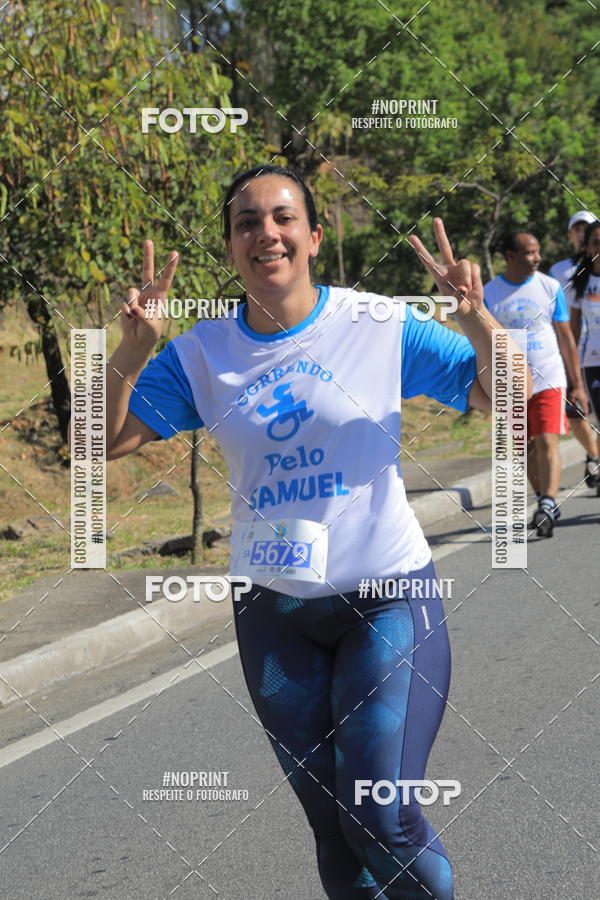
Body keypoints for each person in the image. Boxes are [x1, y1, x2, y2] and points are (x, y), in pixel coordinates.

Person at [104, 165, 527, 899]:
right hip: (275, 615)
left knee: (379, 815)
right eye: (246, 222)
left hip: (387, 599)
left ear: (313, 235)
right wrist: (132, 351)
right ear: (231, 247)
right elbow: (93, 443)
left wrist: (478, 321)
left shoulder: (375, 324)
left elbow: (511, 400)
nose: (265, 232)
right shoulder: (202, 354)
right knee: (335, 836)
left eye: (283, 217)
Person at [483, 231, 588, 537]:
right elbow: (485, 342)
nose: (537, 258)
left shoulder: (550, 286)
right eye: (529, 252)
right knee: (525, 448)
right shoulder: (490, 293)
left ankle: (546, 502)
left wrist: (576, 384)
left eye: (538, 251)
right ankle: (547, 501)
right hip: (512, 383)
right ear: (509, 255)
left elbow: (566, 338)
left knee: (547, 440)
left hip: (548, 377)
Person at [549, 211, 600, 487]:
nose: (581, 234)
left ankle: (595, 462)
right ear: (571, 235)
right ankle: (593, 455)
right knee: (575, 412)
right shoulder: (562, 272)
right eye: (576, 229)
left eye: (586, 229)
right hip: (575, 354)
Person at [569, 220, 600, 496]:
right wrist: (574, 368)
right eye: (596, 243)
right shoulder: (582, 282)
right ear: (588, 248)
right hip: (592, 362)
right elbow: (574, 328)